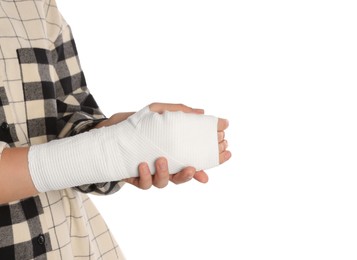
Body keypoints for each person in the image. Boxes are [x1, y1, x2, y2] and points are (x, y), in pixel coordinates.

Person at [0, 0, 231, 259]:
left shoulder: (36, 5)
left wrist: (120, 136)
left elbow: (67, 113)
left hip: (73, 245)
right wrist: (113, 149)